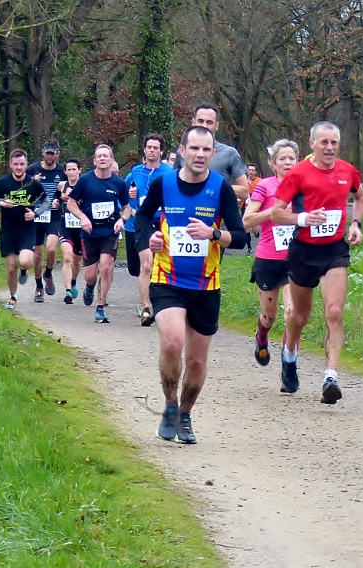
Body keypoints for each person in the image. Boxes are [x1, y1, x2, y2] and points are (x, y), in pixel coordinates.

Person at [134, 125, 248, 444]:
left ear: (213, 153)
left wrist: (213, 234)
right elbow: (142, 218)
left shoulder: (221, 188)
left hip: (206, 285)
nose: (200, 155)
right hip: (167, 279)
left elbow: (240, 237)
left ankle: (185, 415)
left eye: (206, 150)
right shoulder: (164, 183)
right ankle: (170, 405)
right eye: (194, 148)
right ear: (182, 151)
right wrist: (151, 238)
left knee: (197, 361)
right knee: (172, 343)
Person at [269, 121, 363, 404]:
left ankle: (331, 377)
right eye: (324, 142)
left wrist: (356, 224)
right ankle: (289, 354)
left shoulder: (347, 171)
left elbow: (360, 196)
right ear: (312, 144)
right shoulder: (298, 173)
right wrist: (303, 218)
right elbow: (276, 214)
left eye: (334, 142)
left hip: (334, 250)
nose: (330, 147)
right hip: (303, 251)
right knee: (300, 317)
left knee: (334, 311)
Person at [243, 139, 299, 367]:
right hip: (268, 259)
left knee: (293, 313)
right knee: (270, 316)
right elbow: (246, 221)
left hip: (296, 260)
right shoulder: (265, 186)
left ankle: (289, 361)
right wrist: (275, 211)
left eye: (291, 158)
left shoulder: (304, 187)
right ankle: (262, 335)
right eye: (282, 159)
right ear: (273, 164)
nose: (287, 162)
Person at [66, 145, 131, 323]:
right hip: (90, 232)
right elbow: (71, 203)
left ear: (111, 160)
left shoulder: (118, 183)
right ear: (94, 161)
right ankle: (90, 286)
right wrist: (83, 218)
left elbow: (127, 208)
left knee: (106, 267)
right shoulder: (85, 180)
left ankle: (101, 306)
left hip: (110, 231)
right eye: (99, 156)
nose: (102, 158)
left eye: (105, 156)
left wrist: (122, 220)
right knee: (90, 275)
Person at [124, 134, 174, 326]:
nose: (152, 150)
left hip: (163, 222)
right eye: (149, 147)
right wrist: (132, 205)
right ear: (144, 150)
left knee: (163, 265)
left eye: (156, 147)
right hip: (143, 222)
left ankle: (164, 303)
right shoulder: (135, 173)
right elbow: (124, 197)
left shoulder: (169, 173)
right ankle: (145, 308)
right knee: (146, 265)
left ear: (161, 151)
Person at [0, 149, 41, 310]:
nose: (19, 167)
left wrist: (35, 213)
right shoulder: (3, 183)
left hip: (27, 230)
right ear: (10, 165)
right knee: (11, 267)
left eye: (22, 164)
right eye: (16, 164)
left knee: (25, 262)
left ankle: (24, 270)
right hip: (8, 231)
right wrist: (1, 203)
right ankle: (13, 297)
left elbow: (46, 202)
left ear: (26, 165)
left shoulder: (33, 183)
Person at [175, 104, 250, 201]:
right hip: (186, 207)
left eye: (209, 122)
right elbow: (173, 183)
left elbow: (244, 192)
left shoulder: (229, 153)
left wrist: (215, 187)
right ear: (193, 122)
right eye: (200, 121)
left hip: (216, 209)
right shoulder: (182, 152)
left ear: (217, 126)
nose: (204, 126)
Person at [26, 141, 65, 303]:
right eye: (47, 153)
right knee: (37, 255)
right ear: (43, 153)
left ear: (57, 154)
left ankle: (48, 273)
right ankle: (38, 287)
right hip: (36, 215)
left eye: (52, 153)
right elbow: (23, 189)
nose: (49, 156)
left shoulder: (62, 171)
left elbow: (67, 190)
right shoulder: (32, 169)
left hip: (54, 215)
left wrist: (59, 200)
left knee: (51, 249)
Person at [57, 158, 84, 303]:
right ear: (65, 171)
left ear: (80, 170)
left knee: (77, 261)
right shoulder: (62, 185)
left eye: (74, 169)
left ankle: (73, 281)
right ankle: (67, 291)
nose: (72, 172)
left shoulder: (85, 184)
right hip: (65, 226)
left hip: (80, 228)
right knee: (67, 257)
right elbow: (56, 197)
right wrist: (56, 201)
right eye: (69, 169)